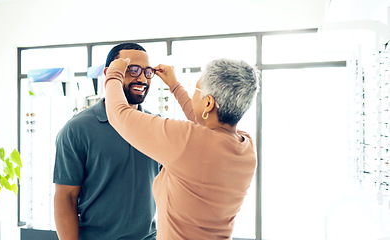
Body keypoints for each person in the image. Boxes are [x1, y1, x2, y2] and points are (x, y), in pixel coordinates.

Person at [105, 57, 259, 239]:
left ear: (208, 103)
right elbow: (205, 122)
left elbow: (119, 115)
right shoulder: (246, 147)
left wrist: (114, 73)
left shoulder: (187, 140)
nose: (194, 94)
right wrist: (174, 85)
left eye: (196, 89)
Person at [53, 43, 160, 240]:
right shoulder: (77, 129)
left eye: (148, 71)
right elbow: (65, 197)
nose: (142, 78)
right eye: (132, 69)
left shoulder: (157, 125)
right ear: (109, 73)